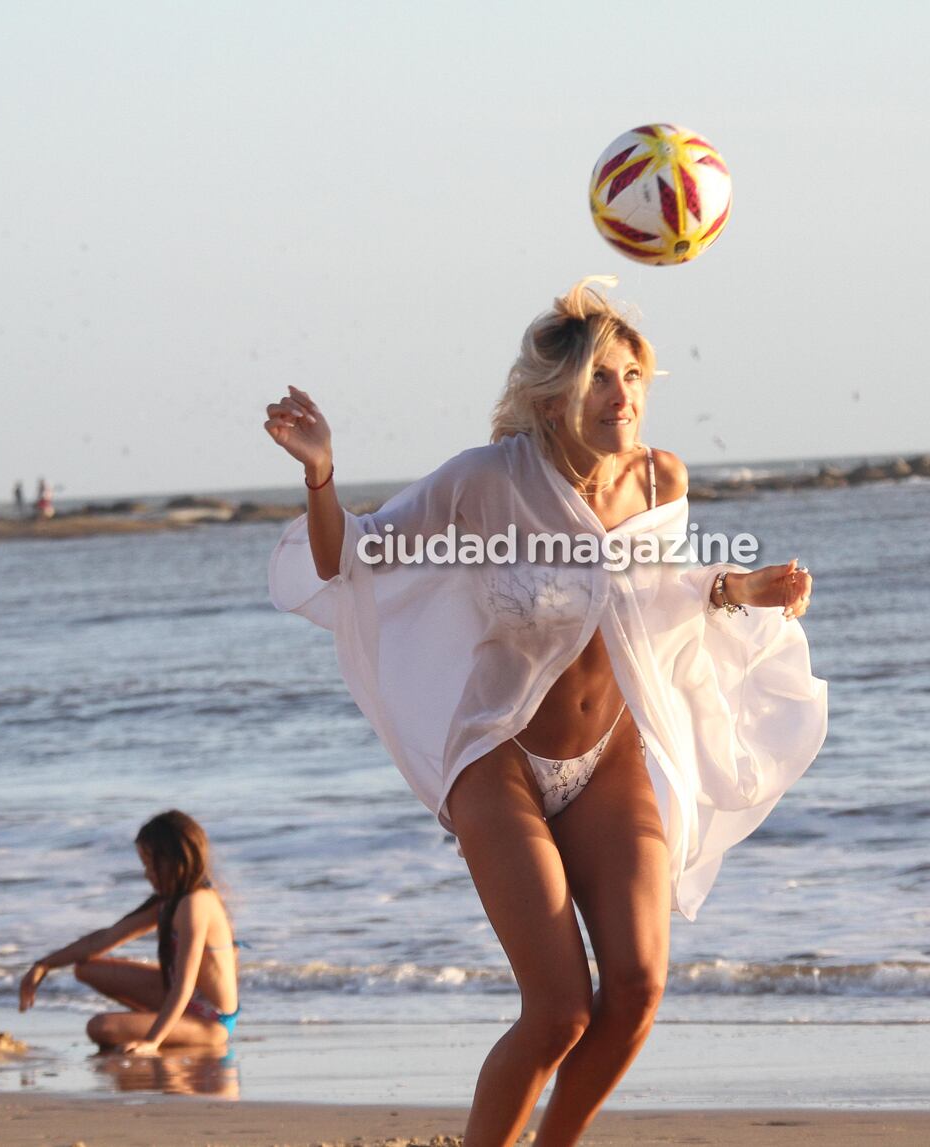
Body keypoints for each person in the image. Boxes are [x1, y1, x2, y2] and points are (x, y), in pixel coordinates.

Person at [263, 277, 827, 1147]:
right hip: (502, 756)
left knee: (637, 989)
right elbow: (350, 556)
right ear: (554, 398)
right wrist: (322, 471)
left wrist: (737, 586)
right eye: (601, 377)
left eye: (633, 376)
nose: (622, 395)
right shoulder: (487, 482)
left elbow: (657, 591)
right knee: (560, 1008)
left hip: (612, 752)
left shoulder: (656, 476)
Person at [18, 811, 239, 1054]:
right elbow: (102, 940)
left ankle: (160, 1028)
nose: (146, 874)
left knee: (100, 1027)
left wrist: (152, 1042)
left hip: (210, 1022)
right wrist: (44, 965)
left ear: (173, 861)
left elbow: (185, 984)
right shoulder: (168, 901)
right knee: (86, 969)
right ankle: (159, 1024)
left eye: (150, 865)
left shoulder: (195, 904)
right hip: (185, 1003)